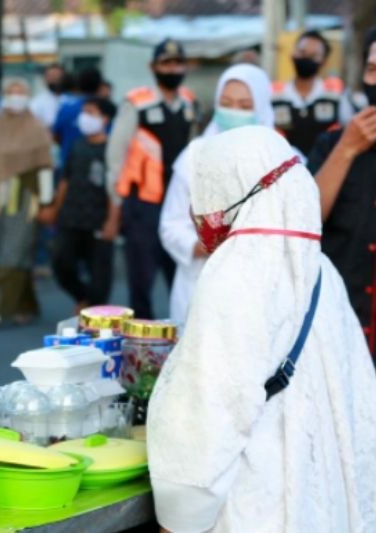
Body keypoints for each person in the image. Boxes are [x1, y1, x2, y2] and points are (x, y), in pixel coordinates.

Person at [147, 125, 376, 532]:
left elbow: (208, 408)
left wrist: (180, 514)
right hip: (318, 494)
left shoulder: (235, 272)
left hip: (256, 499)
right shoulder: (319, 266)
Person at [160, 64, 276, 325]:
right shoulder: (194, 156)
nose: (234, 112)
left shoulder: (283, 160)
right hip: (200, 286)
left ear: (262, 107)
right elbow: (170, 224)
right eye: (226, 103)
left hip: (260, 290)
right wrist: (199, 245)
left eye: (245, 106)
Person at [107, 38, 196, 319]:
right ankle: (142, 347)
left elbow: (194, 150)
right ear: (153, 66)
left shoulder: (190, 104)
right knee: (141, 279)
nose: (172, 69)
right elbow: (116, 154)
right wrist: (116, 203)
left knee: (181, 274)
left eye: (177, 63)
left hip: (180, 203)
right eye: (166, 63)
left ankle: (180, 339)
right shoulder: (137, 103)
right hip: (144, 203)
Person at [308, 27, 376, 354]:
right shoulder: (334, 142)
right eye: (373, 70)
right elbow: (306, 219)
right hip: (342, 329)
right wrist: (347, 150)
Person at [0, 78, 54, 325]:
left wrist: (47, 202)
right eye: (11, 92)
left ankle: (1, 310)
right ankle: (27, 307)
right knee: (3, 251)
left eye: (20, 92)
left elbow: (45, 167)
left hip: (26, 198)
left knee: (14, 252)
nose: (15, 97)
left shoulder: (36, 128)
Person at [45, 97, 115, 313]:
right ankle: (83, 298)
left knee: (100, 276)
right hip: (70, 217)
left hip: (98, 219)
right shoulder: (77, 145)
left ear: (105, 118)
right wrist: (55, 209)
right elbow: (65, 180)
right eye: (84, 112)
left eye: (91, 112)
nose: (85, 117)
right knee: (60, 263)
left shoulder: (112, 150)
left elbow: (117, 188)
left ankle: (96, 314)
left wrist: (113, 221)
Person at [272, 30, 351, 156]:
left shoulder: (335, 95)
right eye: (302, 52)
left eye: (313, 55)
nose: (306, 58)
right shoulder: (274, 96)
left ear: (323, 61)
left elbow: (349, 132)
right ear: (293, 54)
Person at [52, 66, 103, 171]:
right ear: (100, 86)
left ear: (78, 85)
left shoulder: (66, 108)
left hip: (68, 167)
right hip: (100, 167)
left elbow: (56, 136)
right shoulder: (107, 109)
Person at [30, 62, 66, 128]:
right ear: (45, 78)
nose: (55, 79)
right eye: (51, 76)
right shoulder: (37, 102)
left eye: (57, 75)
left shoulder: (73, 99)